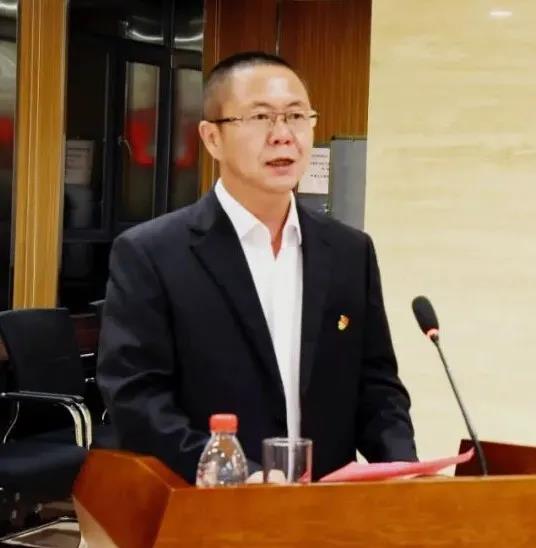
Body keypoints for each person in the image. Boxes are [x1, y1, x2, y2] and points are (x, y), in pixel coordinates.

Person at [97, 51, 417, 483]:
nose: (283, 135)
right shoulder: (151, 253)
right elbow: (137, 399)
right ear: (212, 138)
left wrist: (404, 471)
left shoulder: (349, 251)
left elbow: (377, 387)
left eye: (296, 116)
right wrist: (238, 475)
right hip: (211, 505)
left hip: (327, 507)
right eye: (260, 117)